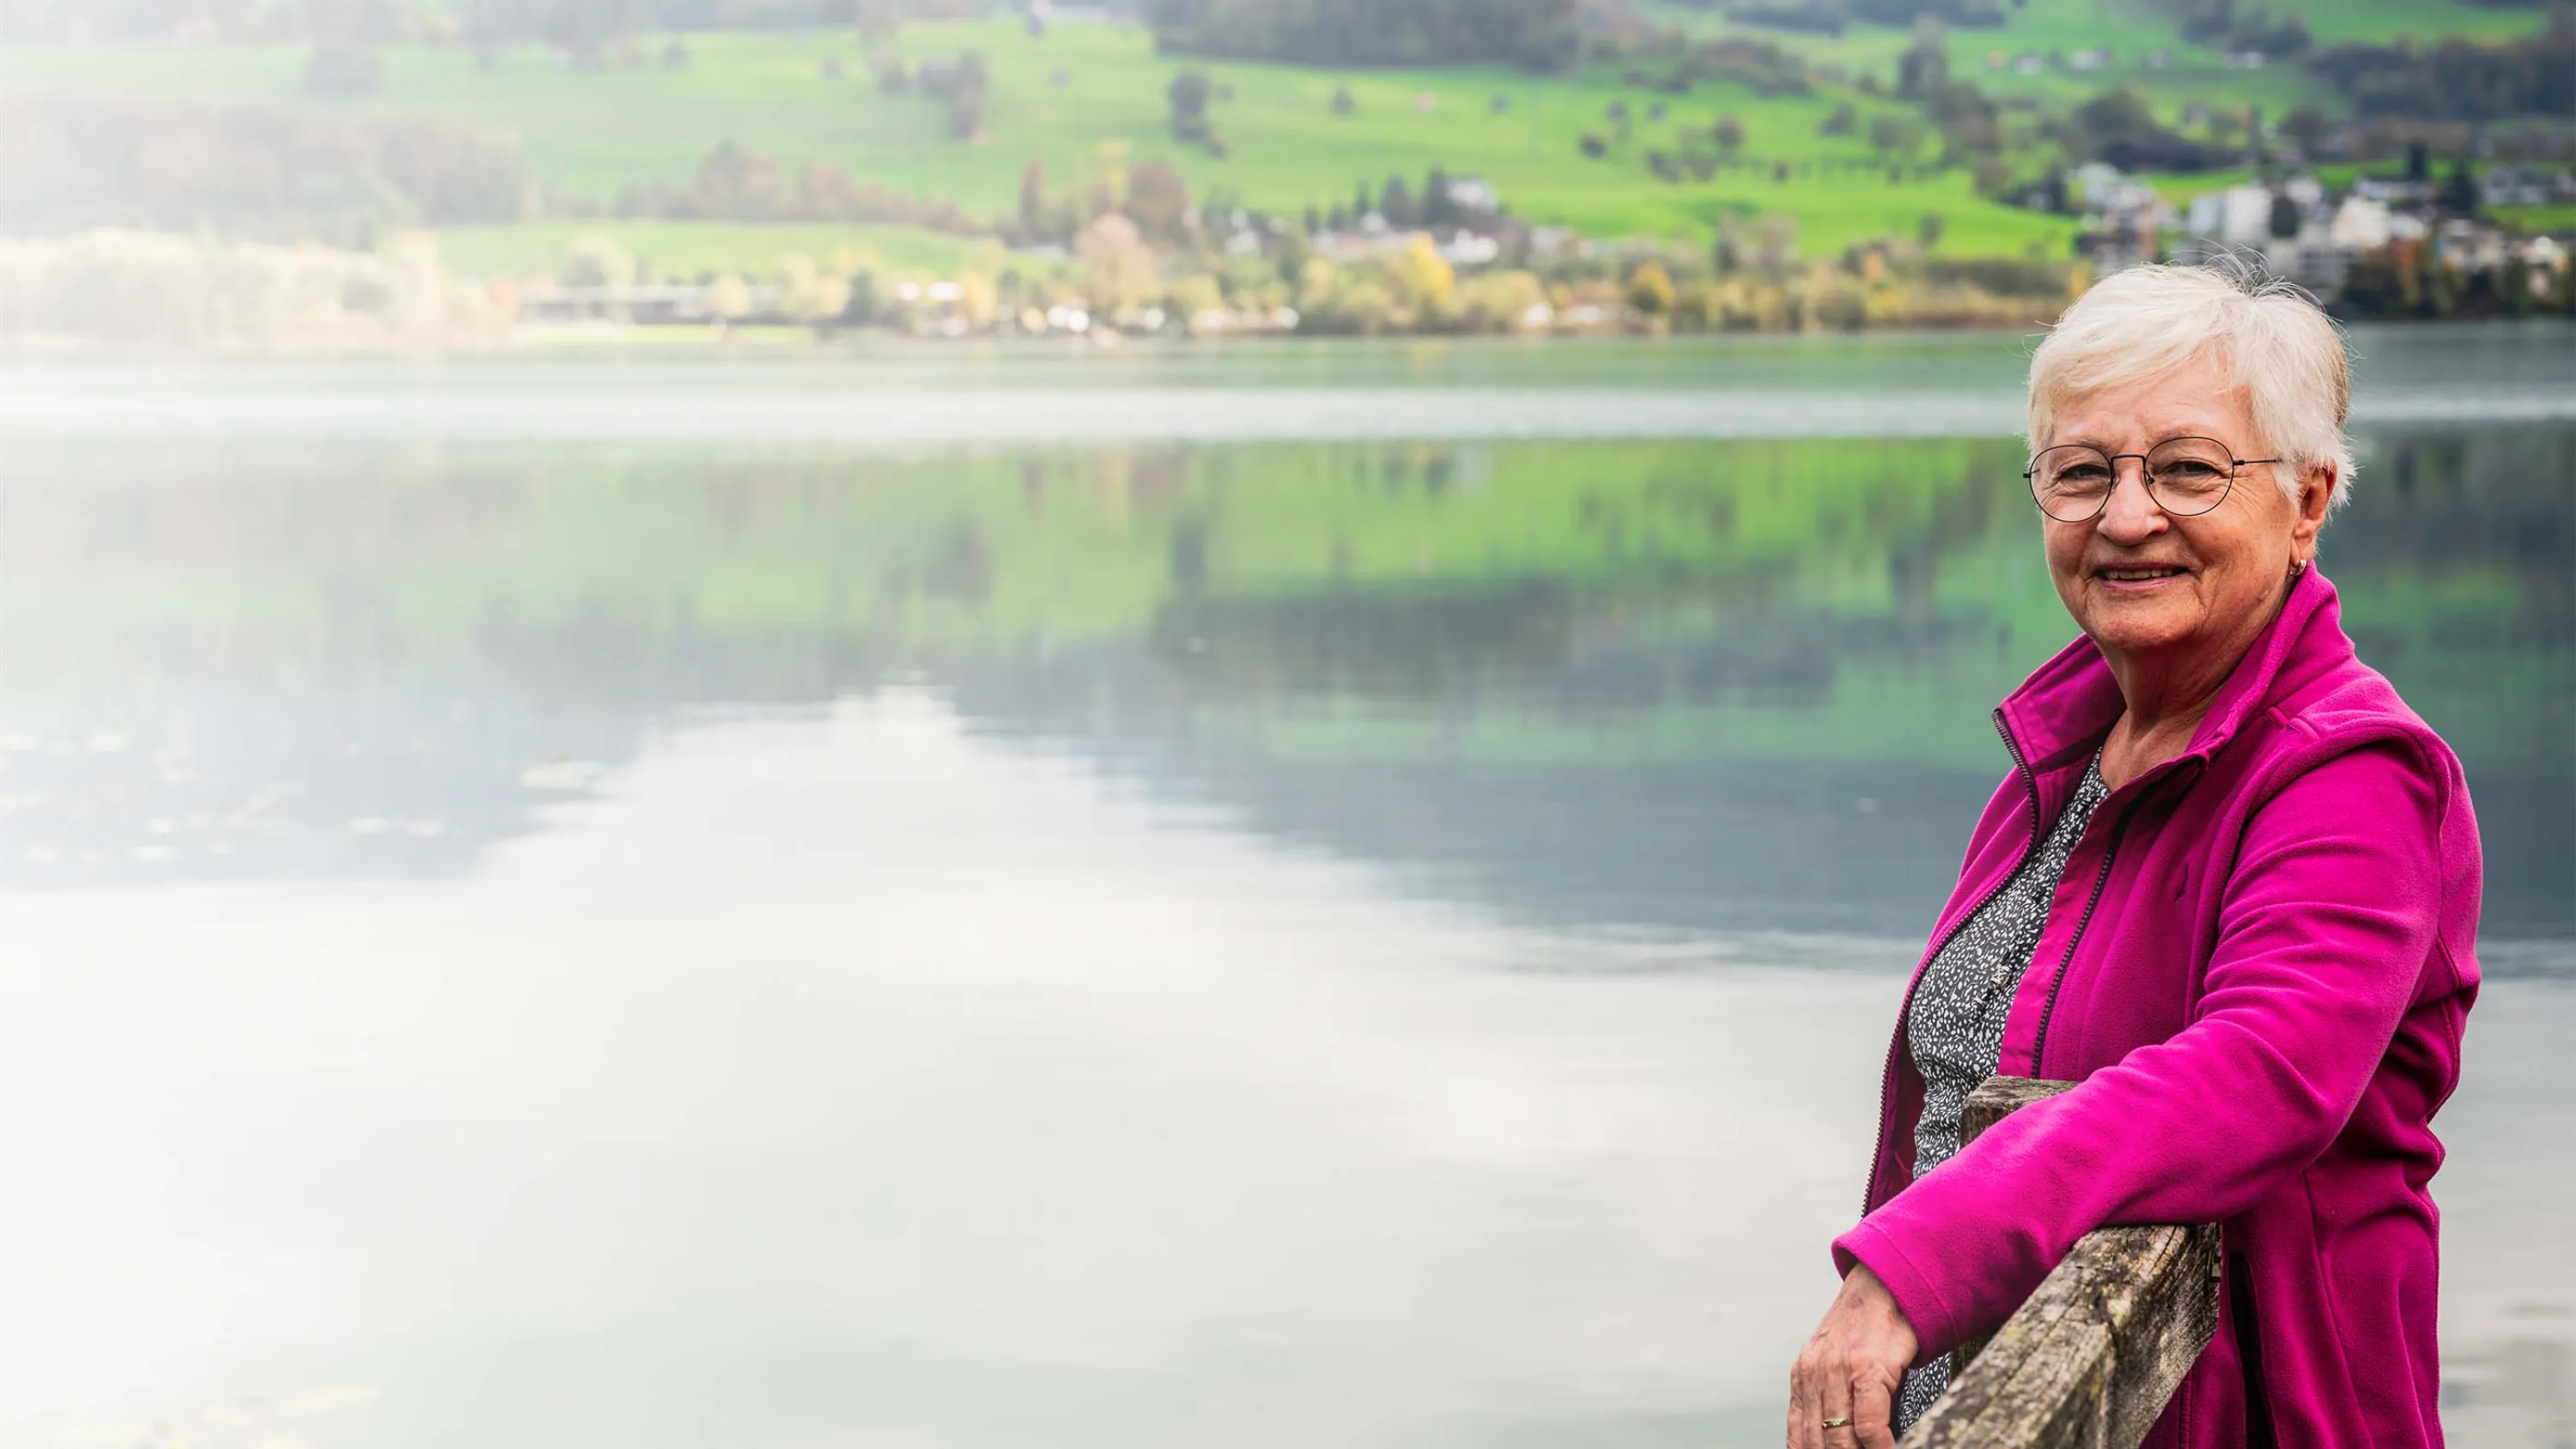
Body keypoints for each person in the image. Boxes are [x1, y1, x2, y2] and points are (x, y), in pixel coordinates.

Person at [1786, 264, 2483, 1449]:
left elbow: (2258, 1072)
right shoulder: (2069, 754)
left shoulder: (2354, 774)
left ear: (2308, 501)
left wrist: (1916, 1263)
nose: (2124, 515)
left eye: (2188, 468)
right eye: (2082, 472)